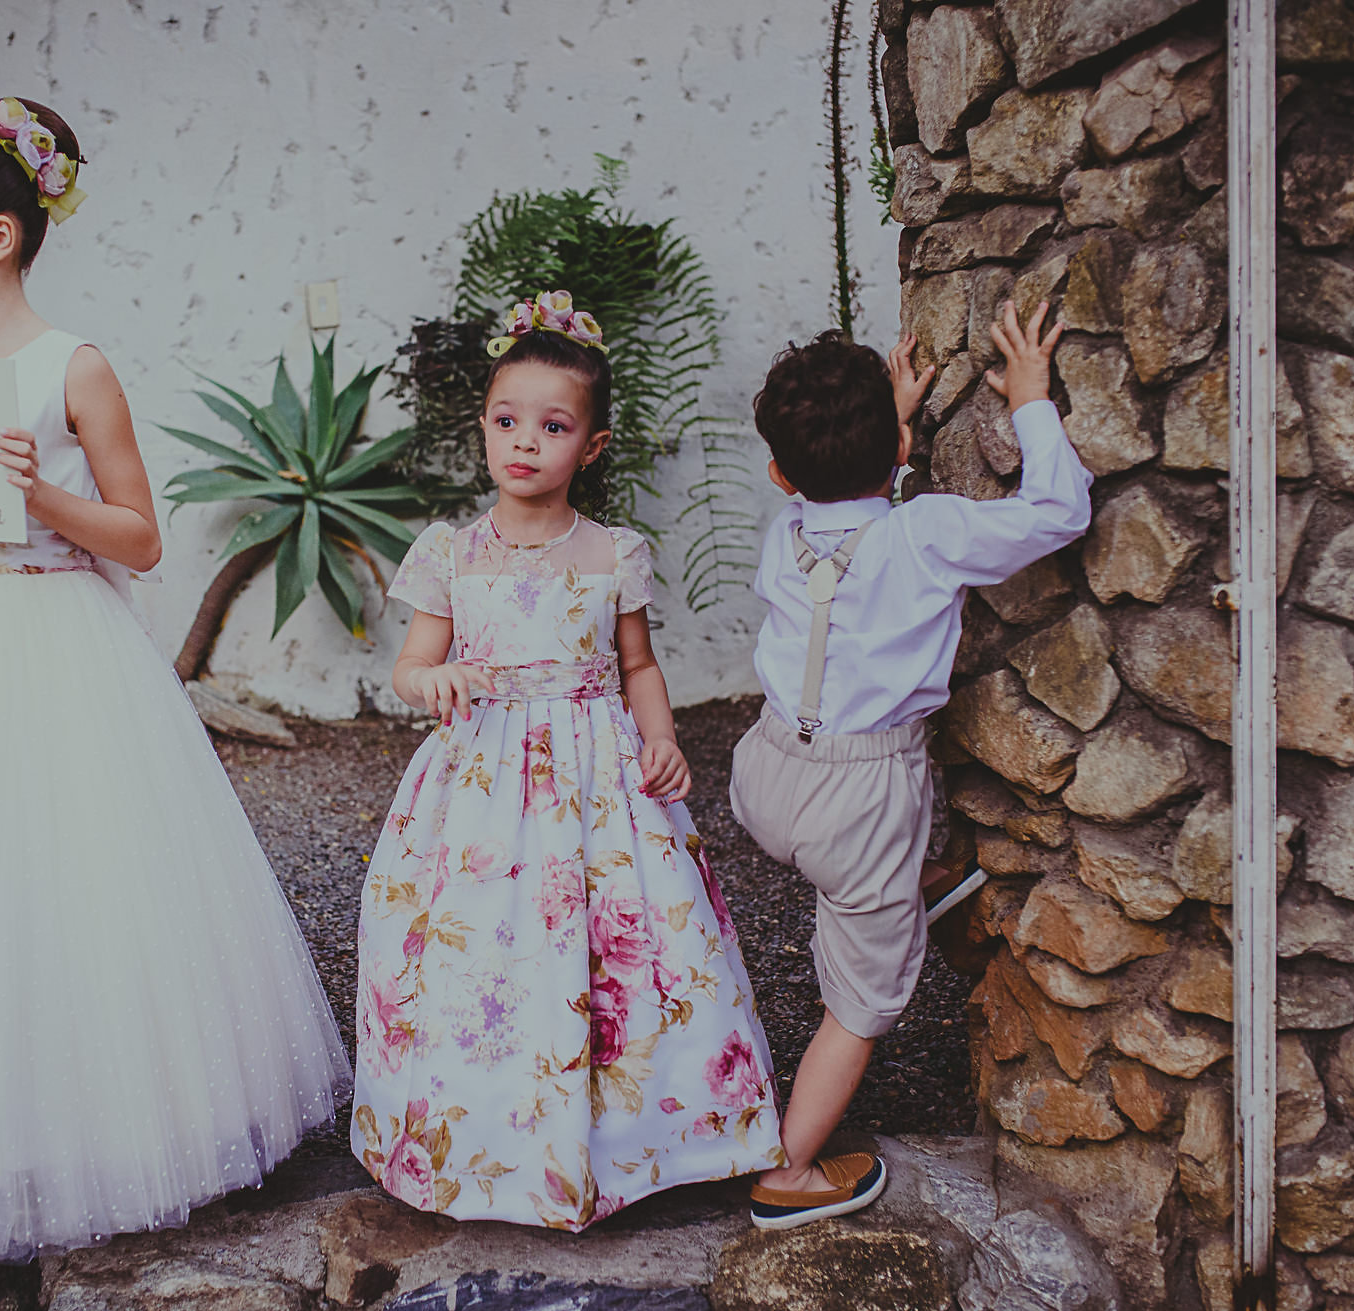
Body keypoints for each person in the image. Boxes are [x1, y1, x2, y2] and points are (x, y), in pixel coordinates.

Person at [0, 95, 348, 1262]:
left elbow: (138, 538)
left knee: (76, 872)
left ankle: (120, 1126)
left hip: (56, 640)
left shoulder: (67, 369)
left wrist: (37, 493)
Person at [351, 292, 784, 1230]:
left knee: (621, 939)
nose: (526, 441)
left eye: (554, 426)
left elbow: (638, 664)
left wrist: (661, 738)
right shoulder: (451, 554)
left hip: (596, 778)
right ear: (483, 427)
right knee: (483, 950)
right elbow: (410, 666)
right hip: (482, 785)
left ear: (591, 446)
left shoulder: (613, 553)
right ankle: (487, 1144)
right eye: (507, 420)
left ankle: (646, 1140)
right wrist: (436, 677)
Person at [735, 304, 1091, 1229]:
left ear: (781, 475)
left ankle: (908, 880)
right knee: (863, 998)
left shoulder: (786, 529)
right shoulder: (926, 531)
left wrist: (885, 425)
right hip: (859, 801)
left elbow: (839, 500)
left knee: (865, 842)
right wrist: (1031, 400)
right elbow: (1059, 512)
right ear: (899, 450)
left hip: (766, 777)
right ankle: (790, 1172)